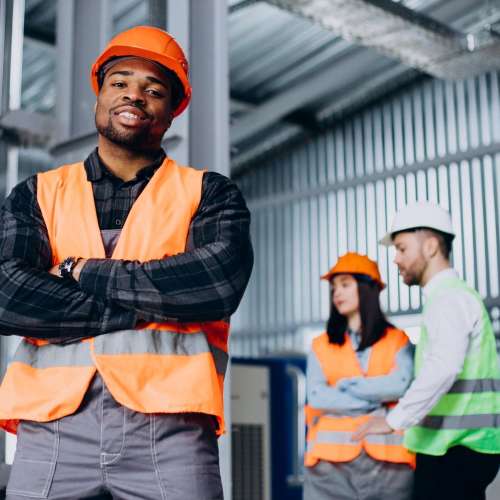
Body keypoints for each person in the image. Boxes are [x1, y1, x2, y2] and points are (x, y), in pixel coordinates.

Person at [0, 26, 253, 500]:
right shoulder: (38, 193)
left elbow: (216, 286)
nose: (135, 95)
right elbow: (9, 296)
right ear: (99, 95)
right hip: (53, 428)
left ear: (172, 110)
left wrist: (81, 270)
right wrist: (149, 306)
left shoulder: (209, 193)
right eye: (120, 82)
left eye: (154, 89)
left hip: (171, 429)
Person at [353, 202, 500, 500]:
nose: (395, 259)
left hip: (454, 450)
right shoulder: (451, 298)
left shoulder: (448, 299)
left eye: (402, 248)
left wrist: (395, 420)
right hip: (460, 448)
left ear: (431, 246)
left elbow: (443, 367)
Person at [303, 252, 415, 500]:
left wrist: (347, 387)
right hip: (328, 468)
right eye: (333, 288)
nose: (337, 294)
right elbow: (317, 396)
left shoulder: (397, 340)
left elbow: (402, 384)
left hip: (388, 466)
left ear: (367, 289)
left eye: (345, 284)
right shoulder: (321, 345)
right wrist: (376, 402)